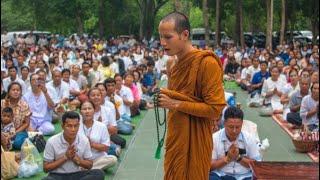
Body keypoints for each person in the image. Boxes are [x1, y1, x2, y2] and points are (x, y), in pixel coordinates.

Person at [157, 12, 226, 179]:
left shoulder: (206, 63)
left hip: (197, 138)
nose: (162, 43)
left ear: (185, 34)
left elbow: (215, 109)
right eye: (160, 37)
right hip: (176, 134)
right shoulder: (171, 63)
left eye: (168, 37)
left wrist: (174, 104)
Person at [42, 111, 105, 180]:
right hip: (58, 175)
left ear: (79, 125)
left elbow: (89, 165)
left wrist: (78, 160)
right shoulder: (52, 141)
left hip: (77, 175)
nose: (73, 129)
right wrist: (65, 157)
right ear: (62, 126)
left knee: (99, 173)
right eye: (69, 126)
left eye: (76, 126)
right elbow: (46, 168)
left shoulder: (84, 140)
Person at [210, 107, 261, 180]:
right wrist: (228, 158)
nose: (234, 131)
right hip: (221, 175)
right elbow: (210, 166)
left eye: (237, 127)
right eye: (231, 127)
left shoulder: (249, 138)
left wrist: (238, 158)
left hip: (245, 176)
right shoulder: (214, 138)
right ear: (224, 123)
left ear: (242, 124)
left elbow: (257, 165)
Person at [78, 101, 117, 170]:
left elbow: (106, 147)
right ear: (80, 112)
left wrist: (91, 144)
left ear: (94, 110)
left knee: (113, 159)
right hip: (81, 159)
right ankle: (90, 169)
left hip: (97, 158)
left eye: (89, 108)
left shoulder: (101, 126)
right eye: (84, 109)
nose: (87, 111)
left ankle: (85, 169)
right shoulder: (76, 125)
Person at [1, 82, 31, 150]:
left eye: (18, 90)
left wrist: (13, 133)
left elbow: (26, 123)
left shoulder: (24, 105)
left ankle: (27, 140)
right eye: (13, 90)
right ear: (8, 92)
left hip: (18, 131)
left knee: (17, 143)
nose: (16, 92)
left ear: (21, 93)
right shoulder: (2, 103)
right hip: (2, 130)